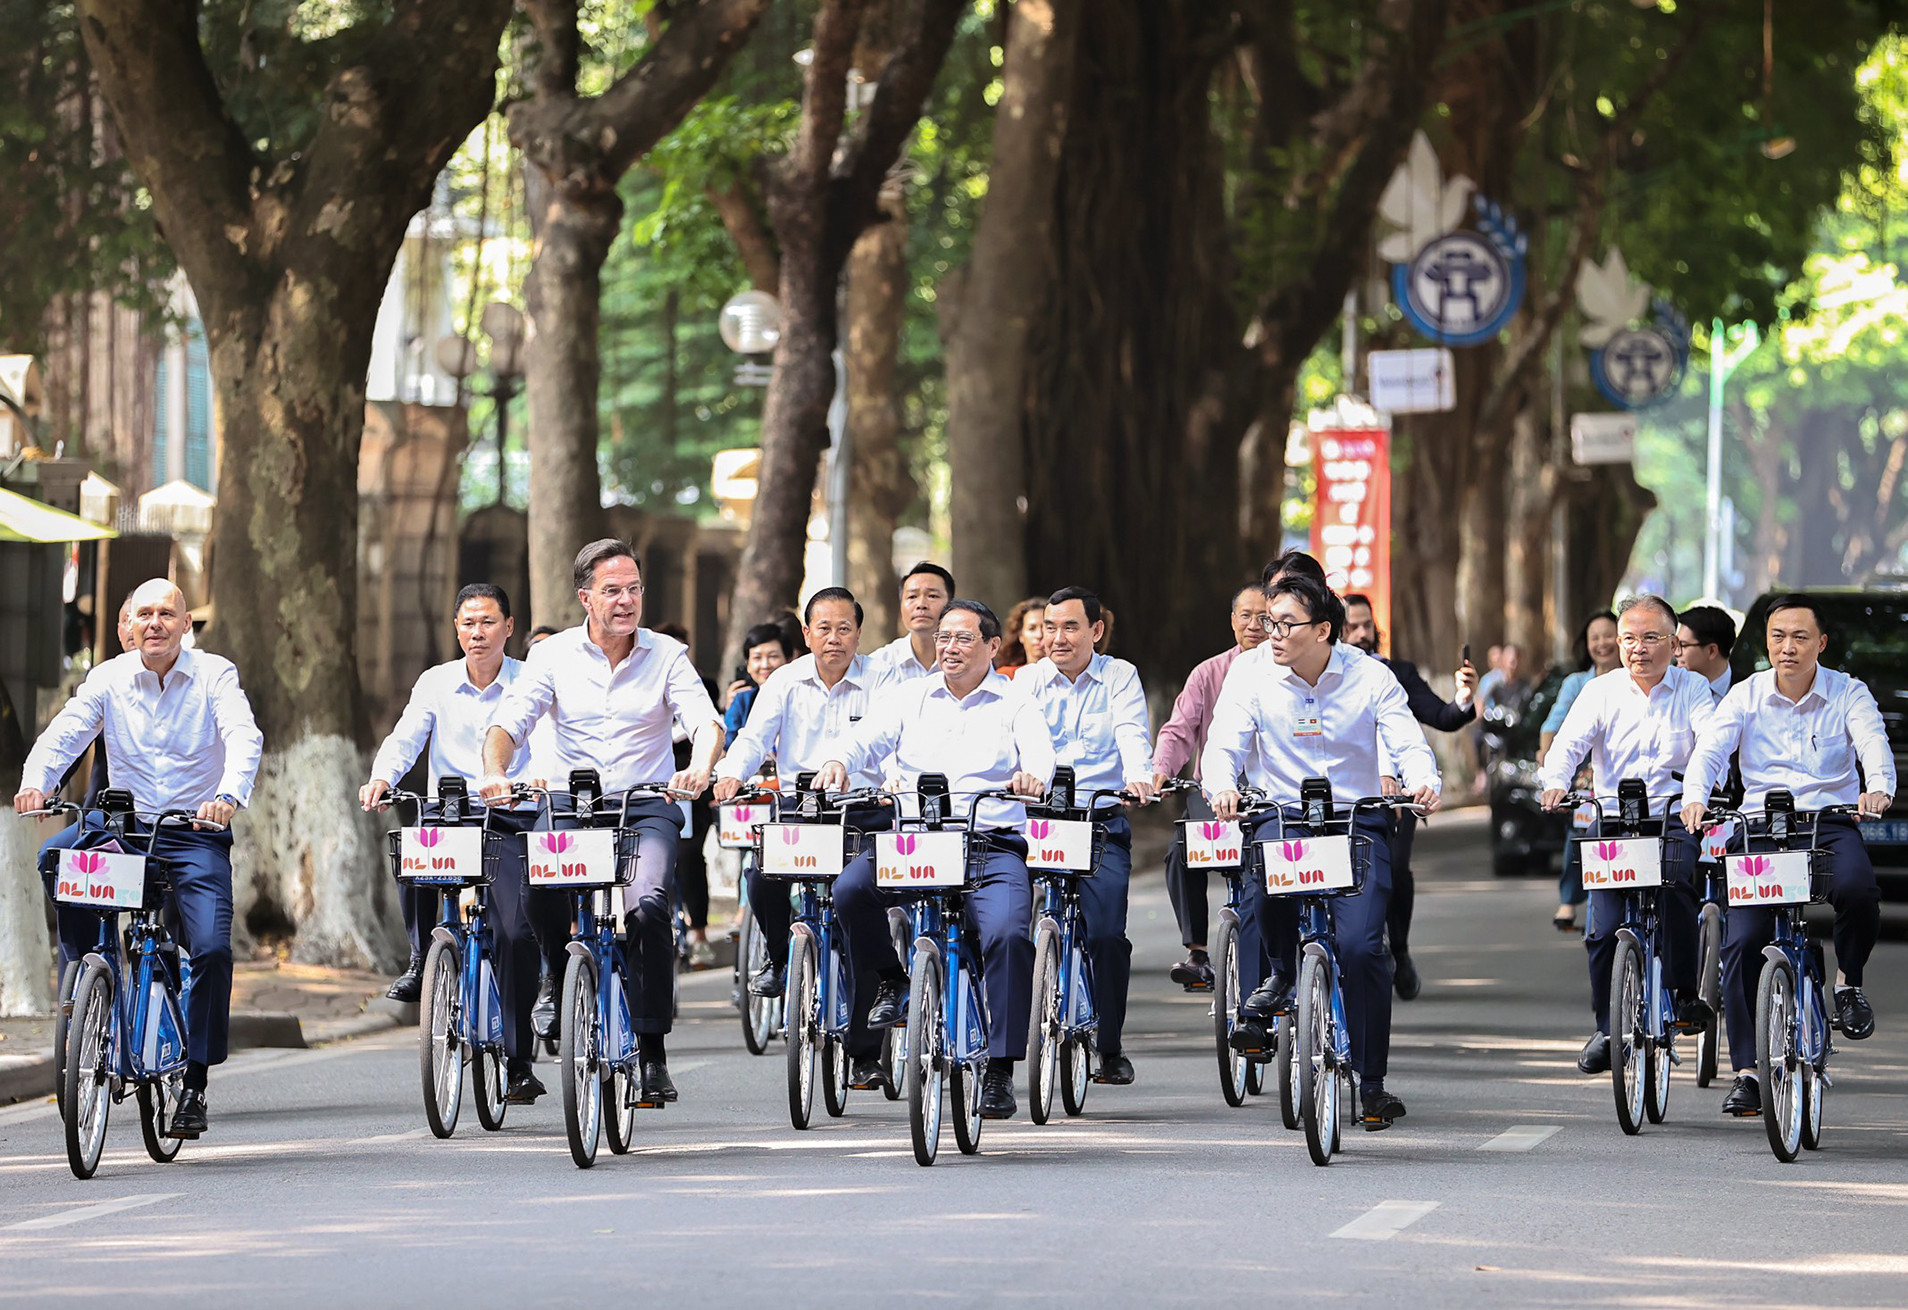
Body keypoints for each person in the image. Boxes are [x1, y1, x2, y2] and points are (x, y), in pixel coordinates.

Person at [17, 578, 263, 1139]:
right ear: (130, 627)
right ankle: (83, 978)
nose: (155, 623)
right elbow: (68, 731)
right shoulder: (108, 677)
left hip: (194, 831)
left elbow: (243, 736)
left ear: (185, 625)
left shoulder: (215, 674)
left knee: (212, 947)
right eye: (144, 614)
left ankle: (195, 1078)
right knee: (57, 857)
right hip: (123, 830)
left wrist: (227, 797)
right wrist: (37, 781)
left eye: (167, 614)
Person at [479, 539, 723, 1106]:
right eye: (612, 591)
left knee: (650, 905)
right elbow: (509, 723)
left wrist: (701, 768)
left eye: (634, 589)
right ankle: (556, 972)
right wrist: (495, 771)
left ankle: (653, 1048)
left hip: (646, 804)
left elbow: (705, 723)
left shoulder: (667, 655)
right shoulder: (552, 657)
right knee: (540, 890)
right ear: (586, 597)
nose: (625, 601)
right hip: (568, 804)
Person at [1203, 574, 1440, 1131]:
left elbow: (1407, 740)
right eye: (1268, 622)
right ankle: (1283, 971)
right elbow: (1224, 742)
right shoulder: (1252, 672)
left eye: (1286, 624)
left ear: (1325, 630)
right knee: (1261, 889)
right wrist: (1222, 786)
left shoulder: (1370, 675)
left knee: (1361, 948)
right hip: (1282, 816)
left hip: (1357, 822)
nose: (1272, 634)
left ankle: (1373, 1084)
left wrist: (1422, 780)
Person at [813, 599, 1054, 1118]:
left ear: (992, 646)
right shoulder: (909, 697)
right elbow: (865, 739)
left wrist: (1033, 777)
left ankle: (1000, 1068)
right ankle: (891, 978)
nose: (950, 647)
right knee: (849, 891)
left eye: (964, 638)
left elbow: (1040, 754)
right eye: (944, 638)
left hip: (989, 846)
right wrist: (837, 760)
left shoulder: (1016, 704)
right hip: (917, 843)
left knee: (1008, 934)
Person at [1680, 595, 1895, 1117]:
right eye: (1778, 636)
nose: (1788, 647)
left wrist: (1878, 788)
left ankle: (1847, 984)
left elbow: (1873, 743)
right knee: (1744, 940)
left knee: (1860, 892)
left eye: (1800, 637)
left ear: (1820, 643)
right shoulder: (1746, 695)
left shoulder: (1848, 692)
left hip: (1828, 823)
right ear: (1765, 642)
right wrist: (1695, 796)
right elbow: (1711, 748)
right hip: (1760, 829)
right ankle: (1749, 1072)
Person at [361, 583, 545, 1103]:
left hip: (513, 816)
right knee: (414, 849)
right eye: (467, 623)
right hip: (452, 812)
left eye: (488, 622)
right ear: (456, 629)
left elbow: (550, 739)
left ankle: (519, 1060)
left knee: (513, 933)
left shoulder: (531, 681)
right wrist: (381, 776)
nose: (477, 633)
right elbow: (406, 736)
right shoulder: (435, 682)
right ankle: (423, 957)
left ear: (509, 627)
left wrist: (542, 780)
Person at [1539, 595, 1713, 1078]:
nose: (1639, 649)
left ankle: (1680, 992)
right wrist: (1555, 782)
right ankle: (1607, 1026)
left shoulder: (1694, 690)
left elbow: (1709, 746)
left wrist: (1698, 793)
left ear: (1675, 643)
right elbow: (1569, 742)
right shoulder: (1600, 691)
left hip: (1674, 817)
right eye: (1630, 639)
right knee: (1601, 928)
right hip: (1613, 819)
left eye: (1651, 638)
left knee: (1679, 886)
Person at [713, 587, 885, 1014]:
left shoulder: (880, 680)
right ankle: (777, 955)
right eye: (824, 628)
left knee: (855, 899)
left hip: (864, 811)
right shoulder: (785, 681)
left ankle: (866, 1050)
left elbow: (890, 736)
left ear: (858, 634)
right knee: (760, 875)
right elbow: (754, 737)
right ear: (806, 634)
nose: (834, 639)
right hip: (801, 810)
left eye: (844, 629)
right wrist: (732, 772)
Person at [1012, 586, 1156, 1083]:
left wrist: (1138, 775)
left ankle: (1110, 1045)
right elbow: (1014, 738)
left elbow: (1131, 732)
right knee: (1001, 926)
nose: (1057, 637)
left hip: (1100, 822)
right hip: (1037, 822)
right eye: (1050, 627)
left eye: (1070, 627)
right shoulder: (1024, 681)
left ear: (1096, 631)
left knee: (1107, 935)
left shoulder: (1120, 676)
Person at [1341, 592, 1475, 1001]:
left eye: (1368, 626)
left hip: (1395, 796)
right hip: (1343, 795)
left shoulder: (1393, 674)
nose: (1362, 634)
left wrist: (1465, 698)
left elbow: (1442, 717)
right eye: (1352, 627)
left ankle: (1399, 948)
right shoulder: (1323, 678)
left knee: (1395, 868)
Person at [1151, 582, 1269, 990]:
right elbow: (1179, 729)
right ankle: (1198, 951)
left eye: (1264, 616)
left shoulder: (1289, 671)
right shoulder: (1209, 673)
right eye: (1245, 616)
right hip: (1215, 794)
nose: (1255, 625)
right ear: (1232, 621)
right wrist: (1159, 771)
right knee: (1179, 852)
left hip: (1272, 797)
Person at [1541, 610, 1621, 931]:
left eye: (1608, 635)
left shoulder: (1639, 679)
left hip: (1624, 772)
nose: (1602, 643)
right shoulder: (1577, 684)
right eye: (1594, 637)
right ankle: (1569, 899)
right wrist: (1551, 771)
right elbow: (1552, 726)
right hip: (1583, 774)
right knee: (1580, 835)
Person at [657, 620, 724, 967]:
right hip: (651, 786)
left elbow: (704, 723)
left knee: (689, 858)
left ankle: (698, 931)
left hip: (690, 784)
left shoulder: (701, 685)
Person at [864, 561, 954, 685]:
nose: (921, 605)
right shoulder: (879, 663)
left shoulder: (966, 661)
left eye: (932, 596)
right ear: (901, 606)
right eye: (912, 597)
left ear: (951, 605)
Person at [723, 621, 796, 745]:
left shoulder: (802, 697)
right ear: (748, 665)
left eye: (773, 656)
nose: (765, 665)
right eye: (757, 658)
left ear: (789, 660)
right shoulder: (742, 700)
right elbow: (726, 745)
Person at [1675, 604, 1737, 702]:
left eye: (1683, 645)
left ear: (1711, 651)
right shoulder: (1669, 686)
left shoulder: (1750, 691)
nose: (1676, 652)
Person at [994, 596, 1048, 677]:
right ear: (1020, 635)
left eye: (1046, 628)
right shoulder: (1007, 676)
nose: (1039, 635)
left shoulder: (1067, 676)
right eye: (1031, 628)